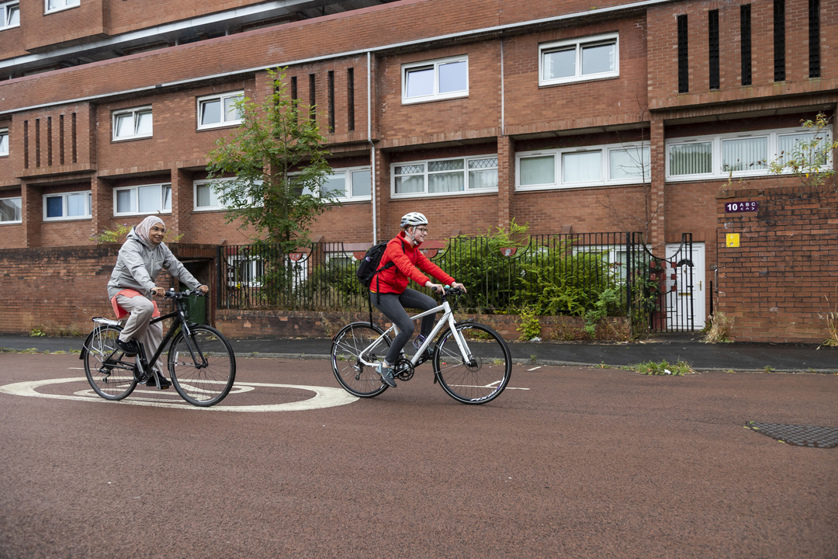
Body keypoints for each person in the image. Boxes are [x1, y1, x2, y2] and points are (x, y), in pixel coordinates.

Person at [106, 215, 208, 389]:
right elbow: (137, 269)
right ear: (145, 229)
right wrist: (151, 286)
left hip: (144, 292)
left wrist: (196, 285)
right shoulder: (130, 246)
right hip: (121, 289)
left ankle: (154, 374)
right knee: (144, 306)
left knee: (155, 330)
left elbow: (178, 268)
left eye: (162, 230)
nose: (159, 233)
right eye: (155, 229)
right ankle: (123, 340)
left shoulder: (161, 248)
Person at [370, 212, 466, 387]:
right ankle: (385, 365)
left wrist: (451, 282)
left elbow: (430, 266)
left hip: (398, 290)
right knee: (407, 327)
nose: (425, 233)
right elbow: (407, 268)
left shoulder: (413, 250)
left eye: (425, 229)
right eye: (422, 229)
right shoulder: (394, 246)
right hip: (382, 293)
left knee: (430, 304)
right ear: (409, 230)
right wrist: (429, 284)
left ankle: (421, 342)